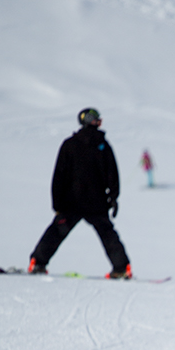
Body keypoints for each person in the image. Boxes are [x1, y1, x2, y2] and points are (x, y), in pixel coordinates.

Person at [28, 108, 131, 277]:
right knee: (107, 234)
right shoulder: (103, 145)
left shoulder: (70, 144)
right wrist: (113, 198)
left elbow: (59, 177)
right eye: (96, 118)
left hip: (71, 202)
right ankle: (121, 268)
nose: (99, 121)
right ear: (89, 120)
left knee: (57, 232)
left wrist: (57, 204)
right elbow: (112, 175)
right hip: (95, 202)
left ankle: (37, 263)